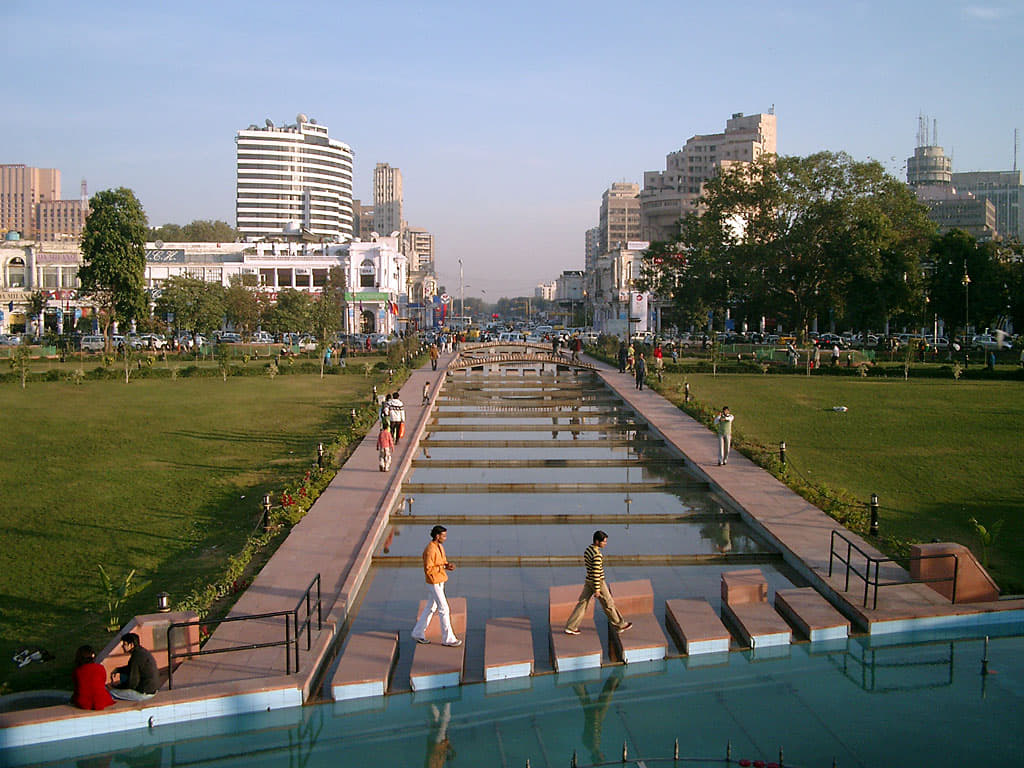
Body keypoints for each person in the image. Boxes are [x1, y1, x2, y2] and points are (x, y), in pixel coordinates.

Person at [564, 530, 632, 636]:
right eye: (604, 542)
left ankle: (571, 626)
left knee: (582, 604)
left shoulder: (588, 550)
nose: (605, 544)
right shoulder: (597, 555)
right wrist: (597, 589)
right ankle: (620, 624)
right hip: (598, 582)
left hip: (588, 580)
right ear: (597, 541)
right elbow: (596, 572)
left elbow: (590, 568)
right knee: (608, 604)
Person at [411, 525, 462, 647]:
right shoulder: (430, 550)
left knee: (431, 607)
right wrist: (443, 567)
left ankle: (418, 632)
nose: (445, 538)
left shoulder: (439, 547)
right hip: (433, 582)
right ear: (437, 536)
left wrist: (447, 565)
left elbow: (442, 562)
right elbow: (428, 569)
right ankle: (448, 638)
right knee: (444, 608)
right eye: (443, 535)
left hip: (440, 580)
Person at [108, 633, 159, 701]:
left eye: (124, 644)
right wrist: (118, 670)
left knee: (111, 693)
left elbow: (133, 683)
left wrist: (116, 688)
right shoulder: (141, 652)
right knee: (123, 676)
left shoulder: (136, 657)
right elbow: (131, 668)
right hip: (151, 689)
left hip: (145, 693)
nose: (123, 646)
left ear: (131, 644)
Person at [71, 645, 114, 710]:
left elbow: (77, 687)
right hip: (102, 701)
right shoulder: (100, 668)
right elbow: (102, 682)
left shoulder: (77, 671)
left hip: (84, 703)